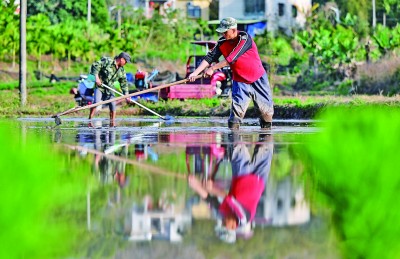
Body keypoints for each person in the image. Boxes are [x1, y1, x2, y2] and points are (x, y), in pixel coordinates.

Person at [188, 17, 274, 130]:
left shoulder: (244, 38)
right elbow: (209, 57)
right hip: (240, 81)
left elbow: (231, 58)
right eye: (222, 32)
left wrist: (212, 68)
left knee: (266, 114)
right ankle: (234, 140)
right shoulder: (222, 42)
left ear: (233, 30)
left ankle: (266, 136)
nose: (223, 34)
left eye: (225, 32)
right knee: (235, 116)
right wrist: (195, 73)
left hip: (258, 79)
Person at [188, 133, 274, 243]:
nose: (222, 221)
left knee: (236, 141)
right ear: (233, 227)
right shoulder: (244, 218)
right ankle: (266, 119)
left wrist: (196, 186)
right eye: (224, 224)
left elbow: (210, 200)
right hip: (259, 177)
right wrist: (212, 188)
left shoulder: (223, 214)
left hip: (241, 175)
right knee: (267, 141)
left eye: (222, 223)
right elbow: (230, 199)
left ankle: (235, 120)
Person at [88, 52, 132, 127]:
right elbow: (95, 65)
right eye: (126, 61)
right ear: (121, 59)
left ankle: (112, 123)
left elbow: (124, 83)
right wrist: (97, 77)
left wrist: (126, 95)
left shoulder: (121, 70)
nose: (126, 63)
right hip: (100, 86)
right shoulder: (107, 61)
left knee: (112, 104)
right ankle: (90, 120)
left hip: (110, 88)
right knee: (96, 102)